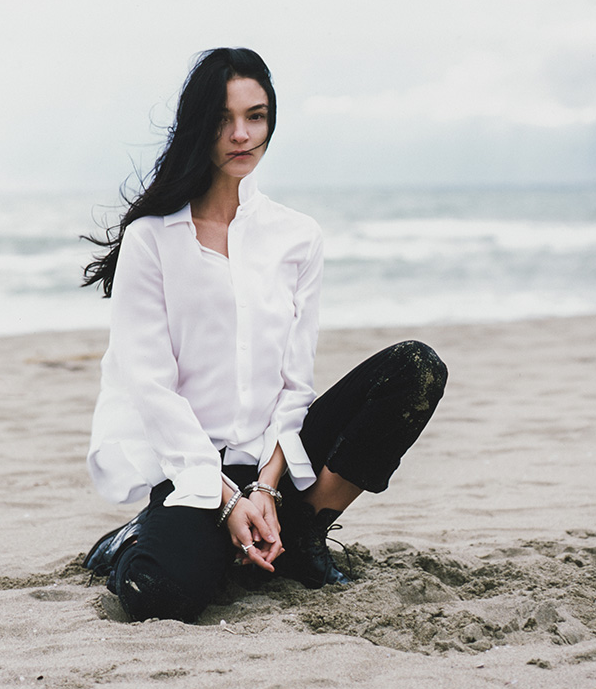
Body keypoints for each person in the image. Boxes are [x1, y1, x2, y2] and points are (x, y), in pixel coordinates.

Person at [80, 47, 447, 623]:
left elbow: (294, 383)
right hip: (193, 466)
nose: (241, 135)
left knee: (415, 369)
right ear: (197, 126)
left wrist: (267, 489)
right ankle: (135, 536)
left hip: (277, 459)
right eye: (223, 119)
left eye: (256, 116)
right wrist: (229, 500)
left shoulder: (297, 236)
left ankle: (303, 529)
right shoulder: (151, 239)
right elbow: (150, 387)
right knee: (159, 593)